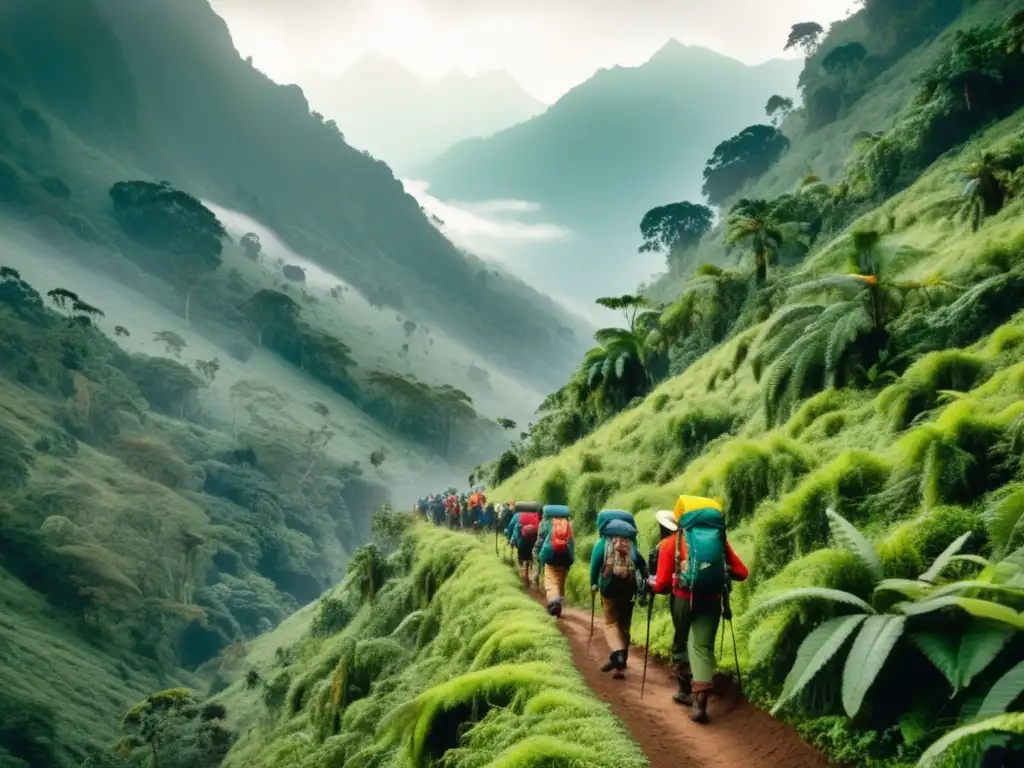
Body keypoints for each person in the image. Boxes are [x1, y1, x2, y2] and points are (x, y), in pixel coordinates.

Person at [649, 498, 748, 724]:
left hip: (683, 601)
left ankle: (685, 688)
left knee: (682, 641)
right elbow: (742, 572)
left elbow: (663, 585)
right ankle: (700, 698)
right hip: (712, 601)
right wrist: (717, 572)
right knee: (702, 647)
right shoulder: (719, 542)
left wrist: (654, 585)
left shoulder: (671, 543)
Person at [590, 517, 646, 675]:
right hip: (628, 589)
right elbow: (641, 565)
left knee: (610, 623)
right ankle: (620, 665)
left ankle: (618, 653)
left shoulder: (602, 544)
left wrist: (593, 584)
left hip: (609, 588)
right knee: (624, 624)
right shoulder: (631, 545)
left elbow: (594, 567)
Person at [535, 504, 574, 617]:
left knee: (550, 581)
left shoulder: (544, 523)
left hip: (549, 556)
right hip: (564, 558)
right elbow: (571, 544)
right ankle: (559, 602)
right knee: (560, 580)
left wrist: (541, 559)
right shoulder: (568, 525)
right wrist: (570, 561)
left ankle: (554, 603)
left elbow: (541, 541)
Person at [508, 502, 541, 588]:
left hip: (521, 540)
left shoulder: (517, 515)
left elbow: (511, 527)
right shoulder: (536, 515)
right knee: (532, 559)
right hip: (533, 540)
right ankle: (532, 577)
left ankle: (524, 575)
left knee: (522, 558)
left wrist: (510, 538)